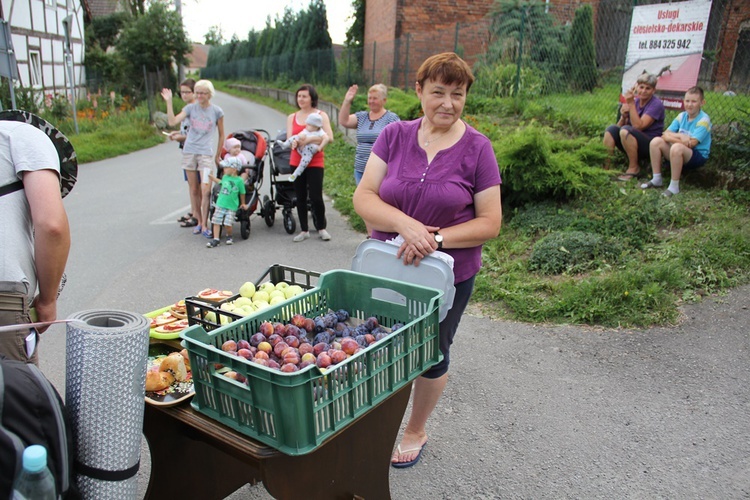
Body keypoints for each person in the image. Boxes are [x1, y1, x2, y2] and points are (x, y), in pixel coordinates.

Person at [352, 52, 502, 468]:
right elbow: (364, 197)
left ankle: (416, 428)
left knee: (431, 353)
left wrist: (435, 238)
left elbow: (490, 222)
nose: (448, 103)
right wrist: (407, 226)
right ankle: (369, 422)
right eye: (438, 92)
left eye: (458, 94)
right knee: (374, 342)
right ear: (419, 91)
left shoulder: (477, 148)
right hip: (387, 264)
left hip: (446, 275)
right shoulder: (394, 135)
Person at [0, 110, 76, 365]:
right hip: (5, 295)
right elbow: (51, 224)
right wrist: (47, 300)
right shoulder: (24, 135)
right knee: (13, 399)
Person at [162, 79, 225, 238]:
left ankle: (204, 224)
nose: (199, 96)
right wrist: (169, 102)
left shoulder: (217, 111)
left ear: (209, 94)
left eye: (202, 93)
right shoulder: (190, 108)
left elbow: (222, 134)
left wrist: (218, 154)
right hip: (189, 153)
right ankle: (198, 221)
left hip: (205, 154)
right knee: (194, 188)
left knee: (205, 189)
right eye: (197, 93)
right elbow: (172, 121)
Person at [285, 84, 335, 242]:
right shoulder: (292, 117)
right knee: (299, 196)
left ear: (312, 98)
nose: (301, 99)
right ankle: (304, 229)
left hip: (315, 162)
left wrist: (311, 139)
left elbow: (330, 137)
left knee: (316, 196)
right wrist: (295, 143)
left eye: (304, 96)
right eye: (299, 96)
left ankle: (321, 227)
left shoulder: (321, 115)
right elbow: (289, 138)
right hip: (296, 161)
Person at [641, 86, 712, 197]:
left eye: (694, 101)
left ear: (702, 103)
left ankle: (674, 187)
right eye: (687, 101)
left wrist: (672, 138)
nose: (689, 104)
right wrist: (680, 135)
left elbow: (692, 143)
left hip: (697, 155)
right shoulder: (682, 116)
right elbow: (665, 134)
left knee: (676, 147)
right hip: (679, 151)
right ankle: (657, 179)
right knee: (656, 142)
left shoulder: (704, 119)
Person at [603, 72, 665, 181]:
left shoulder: (656, 104)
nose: (643, 91)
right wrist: (623, 116)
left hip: (649, 144)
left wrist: (630, 104)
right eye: (641, 87)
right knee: (611, 129)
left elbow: (638, 126)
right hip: (631, 141)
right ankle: (605, 169)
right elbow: (618, 128)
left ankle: (634, 168)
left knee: (625, 131)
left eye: (648, 88)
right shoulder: (635, 102)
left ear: (653, 91)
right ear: (637, 87)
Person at [338, 83, 401, 185]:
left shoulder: (391, 118)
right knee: (362, 199)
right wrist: (347, 101)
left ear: (384, 100)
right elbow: (344, 121)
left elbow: (397, 144)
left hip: (380, 171)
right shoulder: (362, 117)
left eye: (375, 98)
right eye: (369, 98)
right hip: (360, 169)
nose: (371, 101)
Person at [166, 78, 200, 227]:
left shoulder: (195, 110)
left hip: (196, 151)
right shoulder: (187, 109)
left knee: (196, 186)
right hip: (186, 151)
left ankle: (198, 215)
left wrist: (181, 137)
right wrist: (177, 133)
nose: (184, 95)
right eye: (182, 92)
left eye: (187, 92)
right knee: (191, 185)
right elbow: (183, 128)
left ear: (194, 93)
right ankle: (194, 211)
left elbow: (198, 134)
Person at [206, 157, 247, 248]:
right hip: (221, 204)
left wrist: (243, 203)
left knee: (228, 223)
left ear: (234, 169)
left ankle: (229, 235)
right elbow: (221, 182)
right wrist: (213, 178)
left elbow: (242, 193)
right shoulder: (225, 177)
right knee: (216, 221)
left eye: (226, 167)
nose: (224, 169)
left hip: (231, 206)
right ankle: (216, 239)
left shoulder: (239, 181)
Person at [275, 113, 329, 182]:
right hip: (300, 149)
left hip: (309, 150)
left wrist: (320, 146)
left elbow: (327, 138)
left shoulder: (320, 132)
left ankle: (295, 174)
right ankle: (285, 144)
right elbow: (300, 135)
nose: (306, 126)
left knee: (304, 162)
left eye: (309, 124)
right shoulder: (306, 130)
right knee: (295, 137)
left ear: (315, 126)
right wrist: (297, 140)